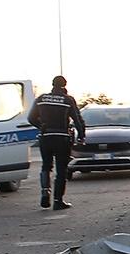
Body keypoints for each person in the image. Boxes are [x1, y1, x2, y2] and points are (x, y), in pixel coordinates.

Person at [27, 76, 89, 209]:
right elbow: (77, 119)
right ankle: (57, 200)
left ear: (52, 84)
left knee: (46, 166)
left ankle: (45, 192)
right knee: (61, 170)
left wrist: (41, 126)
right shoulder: (67, 100)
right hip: (62, 137)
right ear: (64, 85)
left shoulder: (41, 99)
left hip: (46, 136)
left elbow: (30, 118)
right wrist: (81, 135)